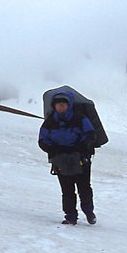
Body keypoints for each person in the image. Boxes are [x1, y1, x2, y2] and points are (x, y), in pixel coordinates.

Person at [38, 91, 97, 225]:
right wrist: (57, 150)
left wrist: (79, 148)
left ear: (69, 105)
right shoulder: (50, 122)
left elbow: (90, 135)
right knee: (67, 189)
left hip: (79, 158)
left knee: (84, 188)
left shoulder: (79, 118)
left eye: (63, 104)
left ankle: (88, 212)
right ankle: (71, 216)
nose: (60, 107)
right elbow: (42, 140)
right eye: (58, 105)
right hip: (62, 160)